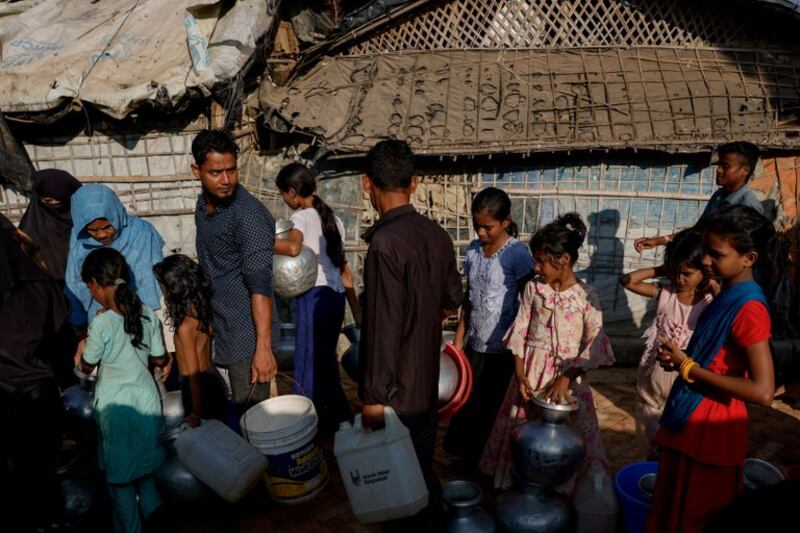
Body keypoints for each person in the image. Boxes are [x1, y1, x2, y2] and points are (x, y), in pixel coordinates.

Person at [646, 205, 775, 533]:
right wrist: (683, 357)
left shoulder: (749, 309)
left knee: (695, 517)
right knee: (672, 509)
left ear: (749, 258)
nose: (705, 261)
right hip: (691, 418)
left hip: (711, 429)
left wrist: (688, 366)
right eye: (705, 251)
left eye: (716, 255)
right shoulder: (725, 292)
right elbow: (717, 355)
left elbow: (763, 391)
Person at [358, 140, 463, 526]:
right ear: (414, 182)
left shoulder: (385, 243)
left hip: (395, 392)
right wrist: (426, 319)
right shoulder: (436, 235)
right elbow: (454, 297)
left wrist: (371, 396)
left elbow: (383, 330)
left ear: (367, 183)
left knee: (400, 482)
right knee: (419, 465)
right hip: (426, 380)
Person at [480, 213, 615, 490]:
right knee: (522, 434)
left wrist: (567, 377)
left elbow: (595, 343)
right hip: (529, 374)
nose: (536, 267)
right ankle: (518, 489)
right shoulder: (533, 288)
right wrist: (519, 375)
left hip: (568, 382)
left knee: (570, 438)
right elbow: (520, 330)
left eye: (541, 260)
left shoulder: (587, 296)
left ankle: (566, 492)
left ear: (563, 259)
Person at [77, 247, 170, 533]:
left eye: (88, 287)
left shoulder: (102, 323)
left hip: (117, 410)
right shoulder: (145, 314)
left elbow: (86, 365)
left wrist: (81, 350)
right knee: (147, 478)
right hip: (146, 403)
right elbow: (160, 358)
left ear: (94, 283)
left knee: (121, 486)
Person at [443, 187, 534, 469]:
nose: (481, 233)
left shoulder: (516, 254)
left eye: (487, 227)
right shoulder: (473, 252)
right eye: (476, 226)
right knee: (469, 401)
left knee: (492, 408)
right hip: (476, 342)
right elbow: (470, 299)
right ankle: (467, 459)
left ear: (506, 221)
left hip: (504, 347)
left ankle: (488, 463)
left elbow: (530, 300)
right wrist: (460, 338)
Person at [192, 129, 277, 407]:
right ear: (197, 171)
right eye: (216, 172)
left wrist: (263, 348)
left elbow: (260, 289)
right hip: (220, 325)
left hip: (247, 335)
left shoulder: (249, 216)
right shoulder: (202, 205)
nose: (226, 180)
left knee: (252, 415)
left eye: (231, 170)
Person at [274, 163, 360, 429]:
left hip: (313, 296)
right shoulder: (333, 219)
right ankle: (334, 418)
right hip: (334, 298)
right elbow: (344, 269)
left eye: (283, 195)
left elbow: (292, 247)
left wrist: (257, 241)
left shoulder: (302, 217)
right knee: (324, 360)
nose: (284, 200)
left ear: (292, 192)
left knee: (309, 360)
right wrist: (356, 311)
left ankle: (314, 418)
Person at [0, 214, 71, 529]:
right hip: (41, 392)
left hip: (7, 396)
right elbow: (61, 336)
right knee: (43, 471)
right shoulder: (39, 282)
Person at [620, 229, 713, 459]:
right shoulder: (666, 294)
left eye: (687, 273)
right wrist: (664, 269)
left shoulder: (709, 304)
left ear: (704, 271)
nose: (680, 279)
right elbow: (628, 280)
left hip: (684, 378)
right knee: (652, 435)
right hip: (654, 378)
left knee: (676, 438)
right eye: (676, 272)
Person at [65, 183, 170, 361]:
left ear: (116, 214)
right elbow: (76, 286)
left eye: (107, 226)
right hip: (102, 321)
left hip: (144, 318)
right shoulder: (79, 241)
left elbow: (157, 285)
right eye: (93, 230)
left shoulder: (142, 233)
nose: (102, 235)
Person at [635, 141, 764, 253]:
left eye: (725, 166)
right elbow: (699, 230)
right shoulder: (719, 195)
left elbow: (749, 251)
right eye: (719, 165)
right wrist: (660, 240)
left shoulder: (749, 206)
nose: (718, 170)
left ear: (745, 171)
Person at [154, 254, 228, 427]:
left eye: (163, 287)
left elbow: (193, 375)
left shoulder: (184, 327)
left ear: (174, 288)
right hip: (213, 381)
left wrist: (195, 413)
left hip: (198, 390)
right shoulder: (202, 312)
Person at [19, 168, 82, 280]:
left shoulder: (86, 221)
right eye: (48, 201)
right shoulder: (30, 228)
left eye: (59, 200)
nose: (54, 204)